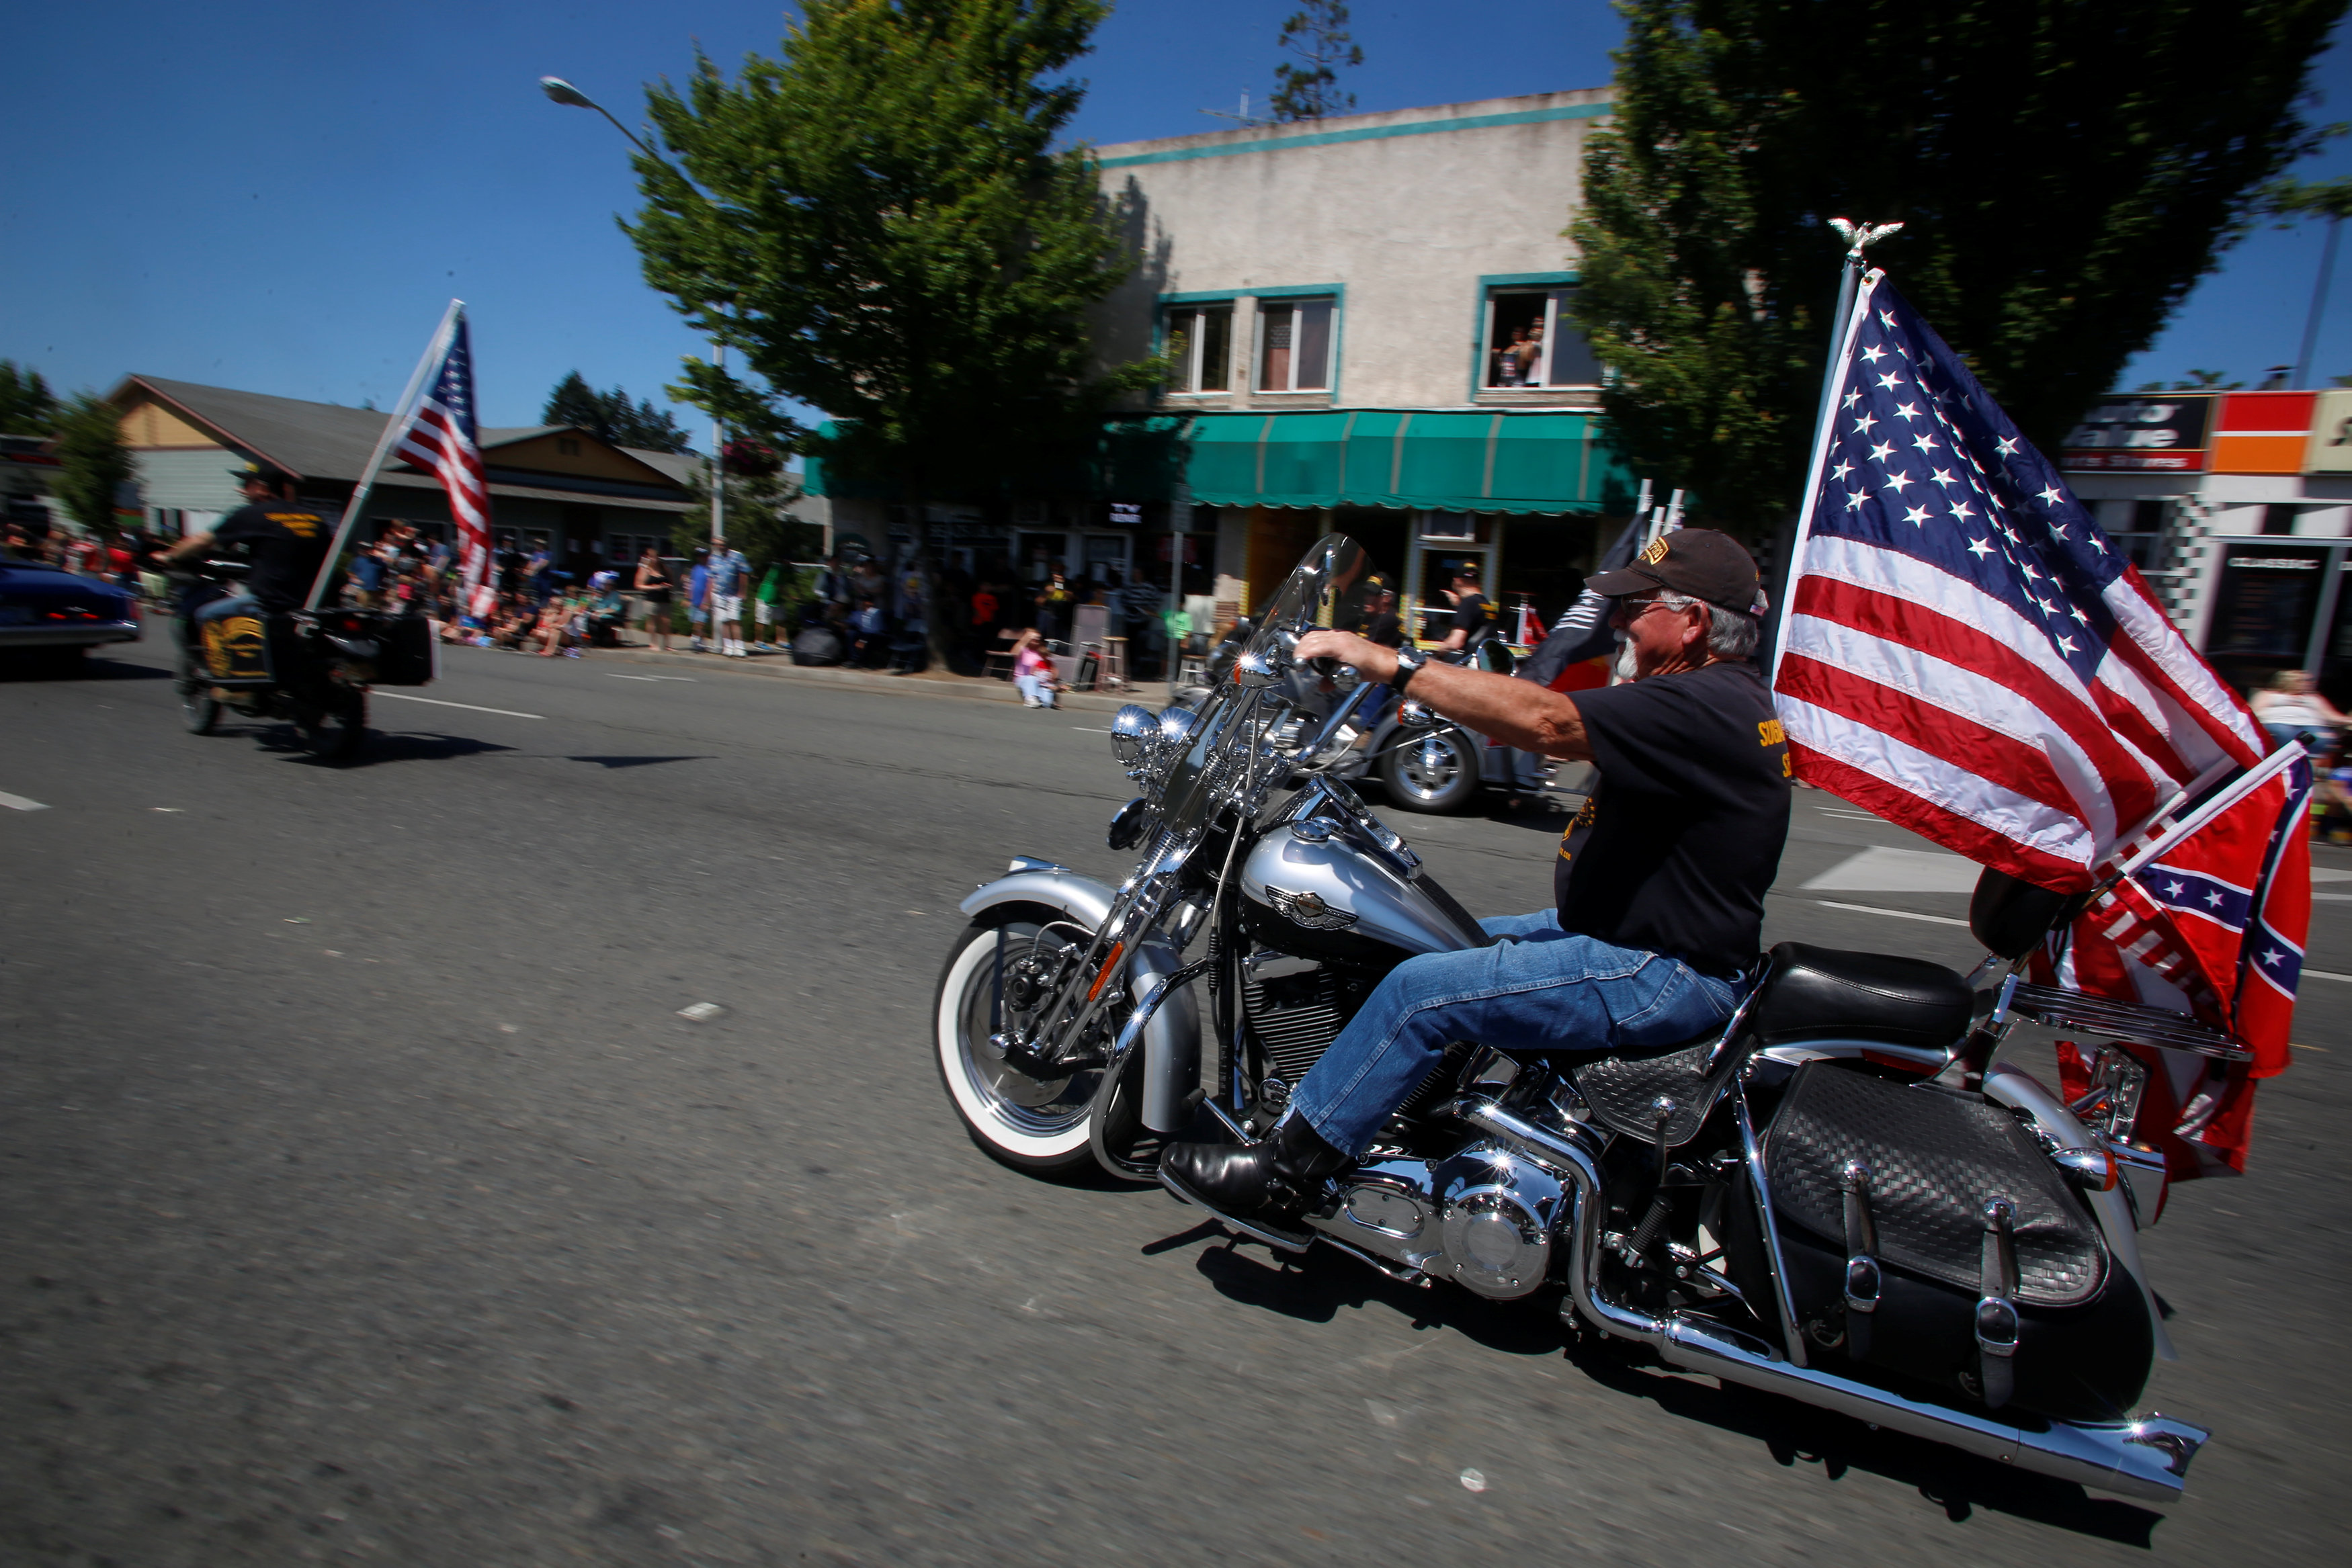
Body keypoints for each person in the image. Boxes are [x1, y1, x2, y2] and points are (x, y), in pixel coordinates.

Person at [1159, 529, 1791, 1225]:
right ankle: (1411, 1117)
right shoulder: (1722, 697)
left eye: (1635, 607)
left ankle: (1287, 1174)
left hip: (1657, 968)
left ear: (1692, 621)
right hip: (1630, 935)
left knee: (1417, 992)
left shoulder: (1698, 703)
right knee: (1422, 944)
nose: (1617, 621)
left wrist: (1388, 663)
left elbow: (1544, 720)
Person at [161, 462, 336, 670]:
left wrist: (169, 556)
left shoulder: (253, 514)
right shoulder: (315, 518)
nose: (242, 491)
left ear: (261, 488)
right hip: (314, 605)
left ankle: (220, 675)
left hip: (271, 603)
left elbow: (202, 541)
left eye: (247, 485)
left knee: (205, 615)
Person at [2251, 668, 2346, 753]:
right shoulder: (2269, 695)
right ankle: (2286, 759)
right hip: (2278, 722)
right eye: (2304, 680)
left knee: (2321, 737)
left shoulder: (2314, 698)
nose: (2310, 683)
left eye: (2310, 680)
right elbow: (2254, 711)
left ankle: (2306, 762)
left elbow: (2331, 715)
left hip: (2311, 725)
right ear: (2289, 681)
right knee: (2286, 734)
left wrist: (2348, 720)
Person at [1436, 562, 1496, 654]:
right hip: (1483, 657)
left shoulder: (1468, 603)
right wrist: (1459, 605)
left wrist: (1437, 652)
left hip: (1470, 659)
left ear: (1457, 581)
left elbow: (1455, 643)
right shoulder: (1486, 604)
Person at [708, 536, 752, 658]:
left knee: (734, 620)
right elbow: (711, 577)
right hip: (719, 593)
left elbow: (744, 574)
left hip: (734, 594)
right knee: (724, 621)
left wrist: (742, 593)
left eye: (722, 544)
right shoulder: (713, 558)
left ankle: (739, 647)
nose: (719, 547)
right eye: (716, 544)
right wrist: (710, 595)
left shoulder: (737, 556)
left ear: (726, 544)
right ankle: (728, 647)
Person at [633, 546, 675, 652]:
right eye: (651, 557)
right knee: (652, 621)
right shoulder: (645, 570)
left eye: (656, 557)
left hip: (665, 598)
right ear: (647, 557)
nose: (654, 559)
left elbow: (672, 582)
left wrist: (668, 586)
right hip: (652, 598)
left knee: (666, 622)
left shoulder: (664, 569)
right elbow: (638, 585)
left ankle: (667, 644)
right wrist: (653, 587)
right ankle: (653, 643)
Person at [1011, 627, 1060, 709]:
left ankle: (1042, 699)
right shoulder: (1023, 650)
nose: (1036, 639)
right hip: (1024, 679)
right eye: (1032, 638)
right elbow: (1014, 653)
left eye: (1038, 638)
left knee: (1047, 703)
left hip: (1041, 681)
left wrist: (1053, 677)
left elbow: (1052, 667)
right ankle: (1030, 699)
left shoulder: (1042, 652)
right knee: (1031, 678)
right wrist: (1025, 639)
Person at [686, 548, 711, 652]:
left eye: (703, 556)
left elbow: (711, 587)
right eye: (699, 556)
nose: (701, 558)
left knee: (700, 622)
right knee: (696, 622)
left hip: (704, 601)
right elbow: (690, 583)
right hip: (695, 600)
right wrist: (688, 598)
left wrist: (706, 601)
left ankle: (695, 638)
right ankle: (701, 643)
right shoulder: (696, 568)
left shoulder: (710, 570)